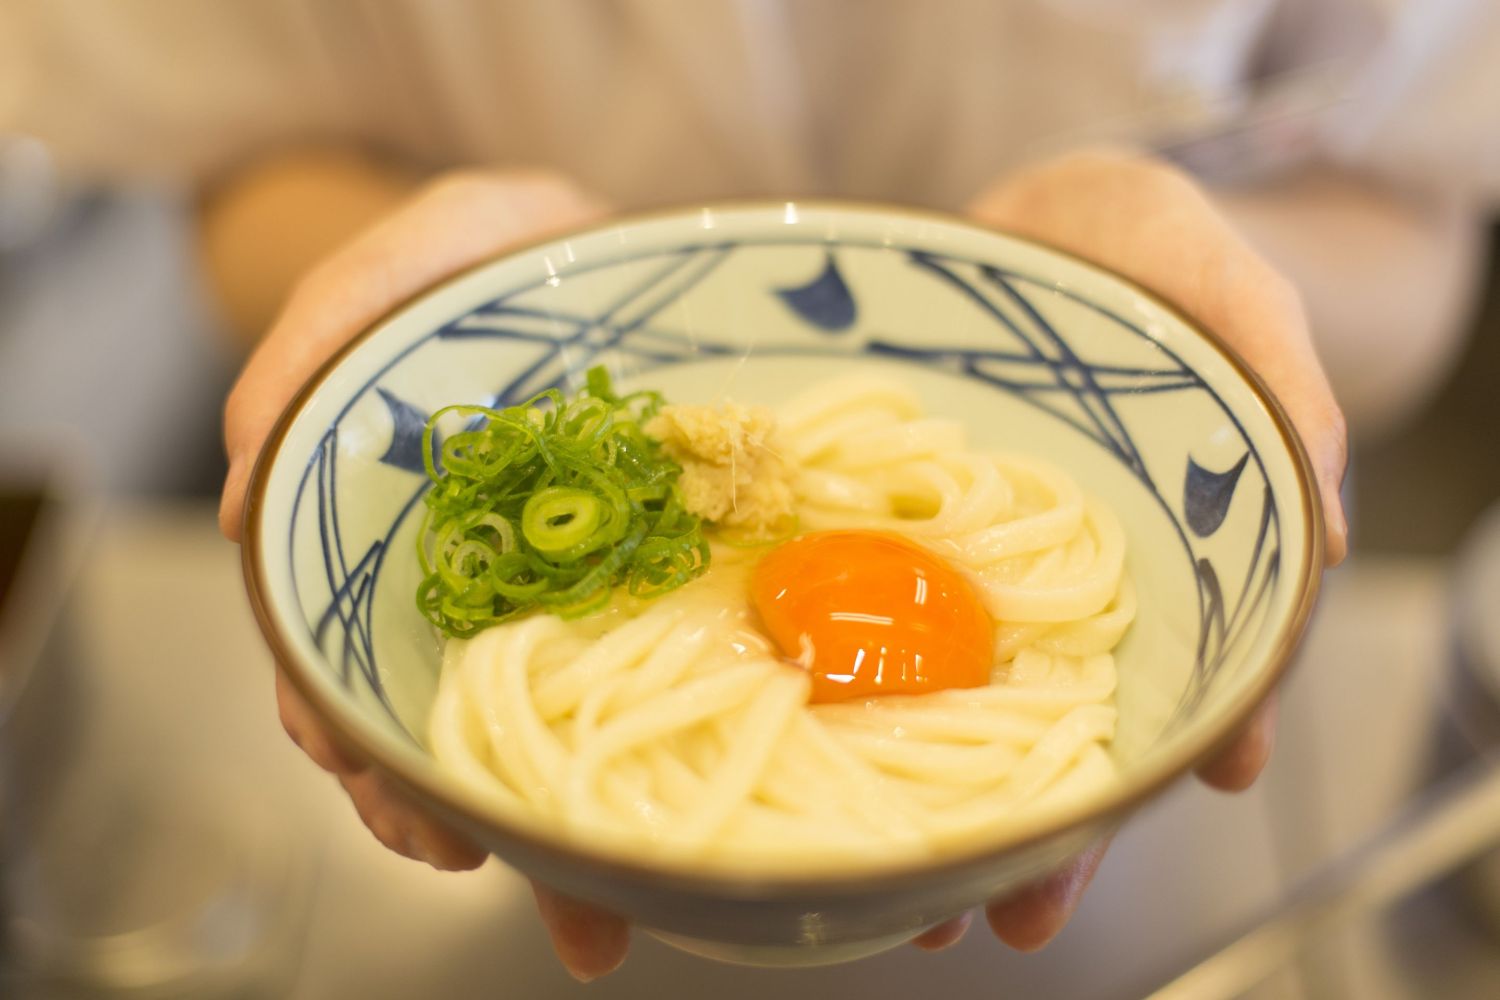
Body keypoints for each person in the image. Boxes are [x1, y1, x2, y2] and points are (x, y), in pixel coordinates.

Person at [6, 0, 1497, 981]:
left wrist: (1212, 305)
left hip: (1118, 910)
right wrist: (449, 293)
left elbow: (1418, 227)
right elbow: (235, 149)